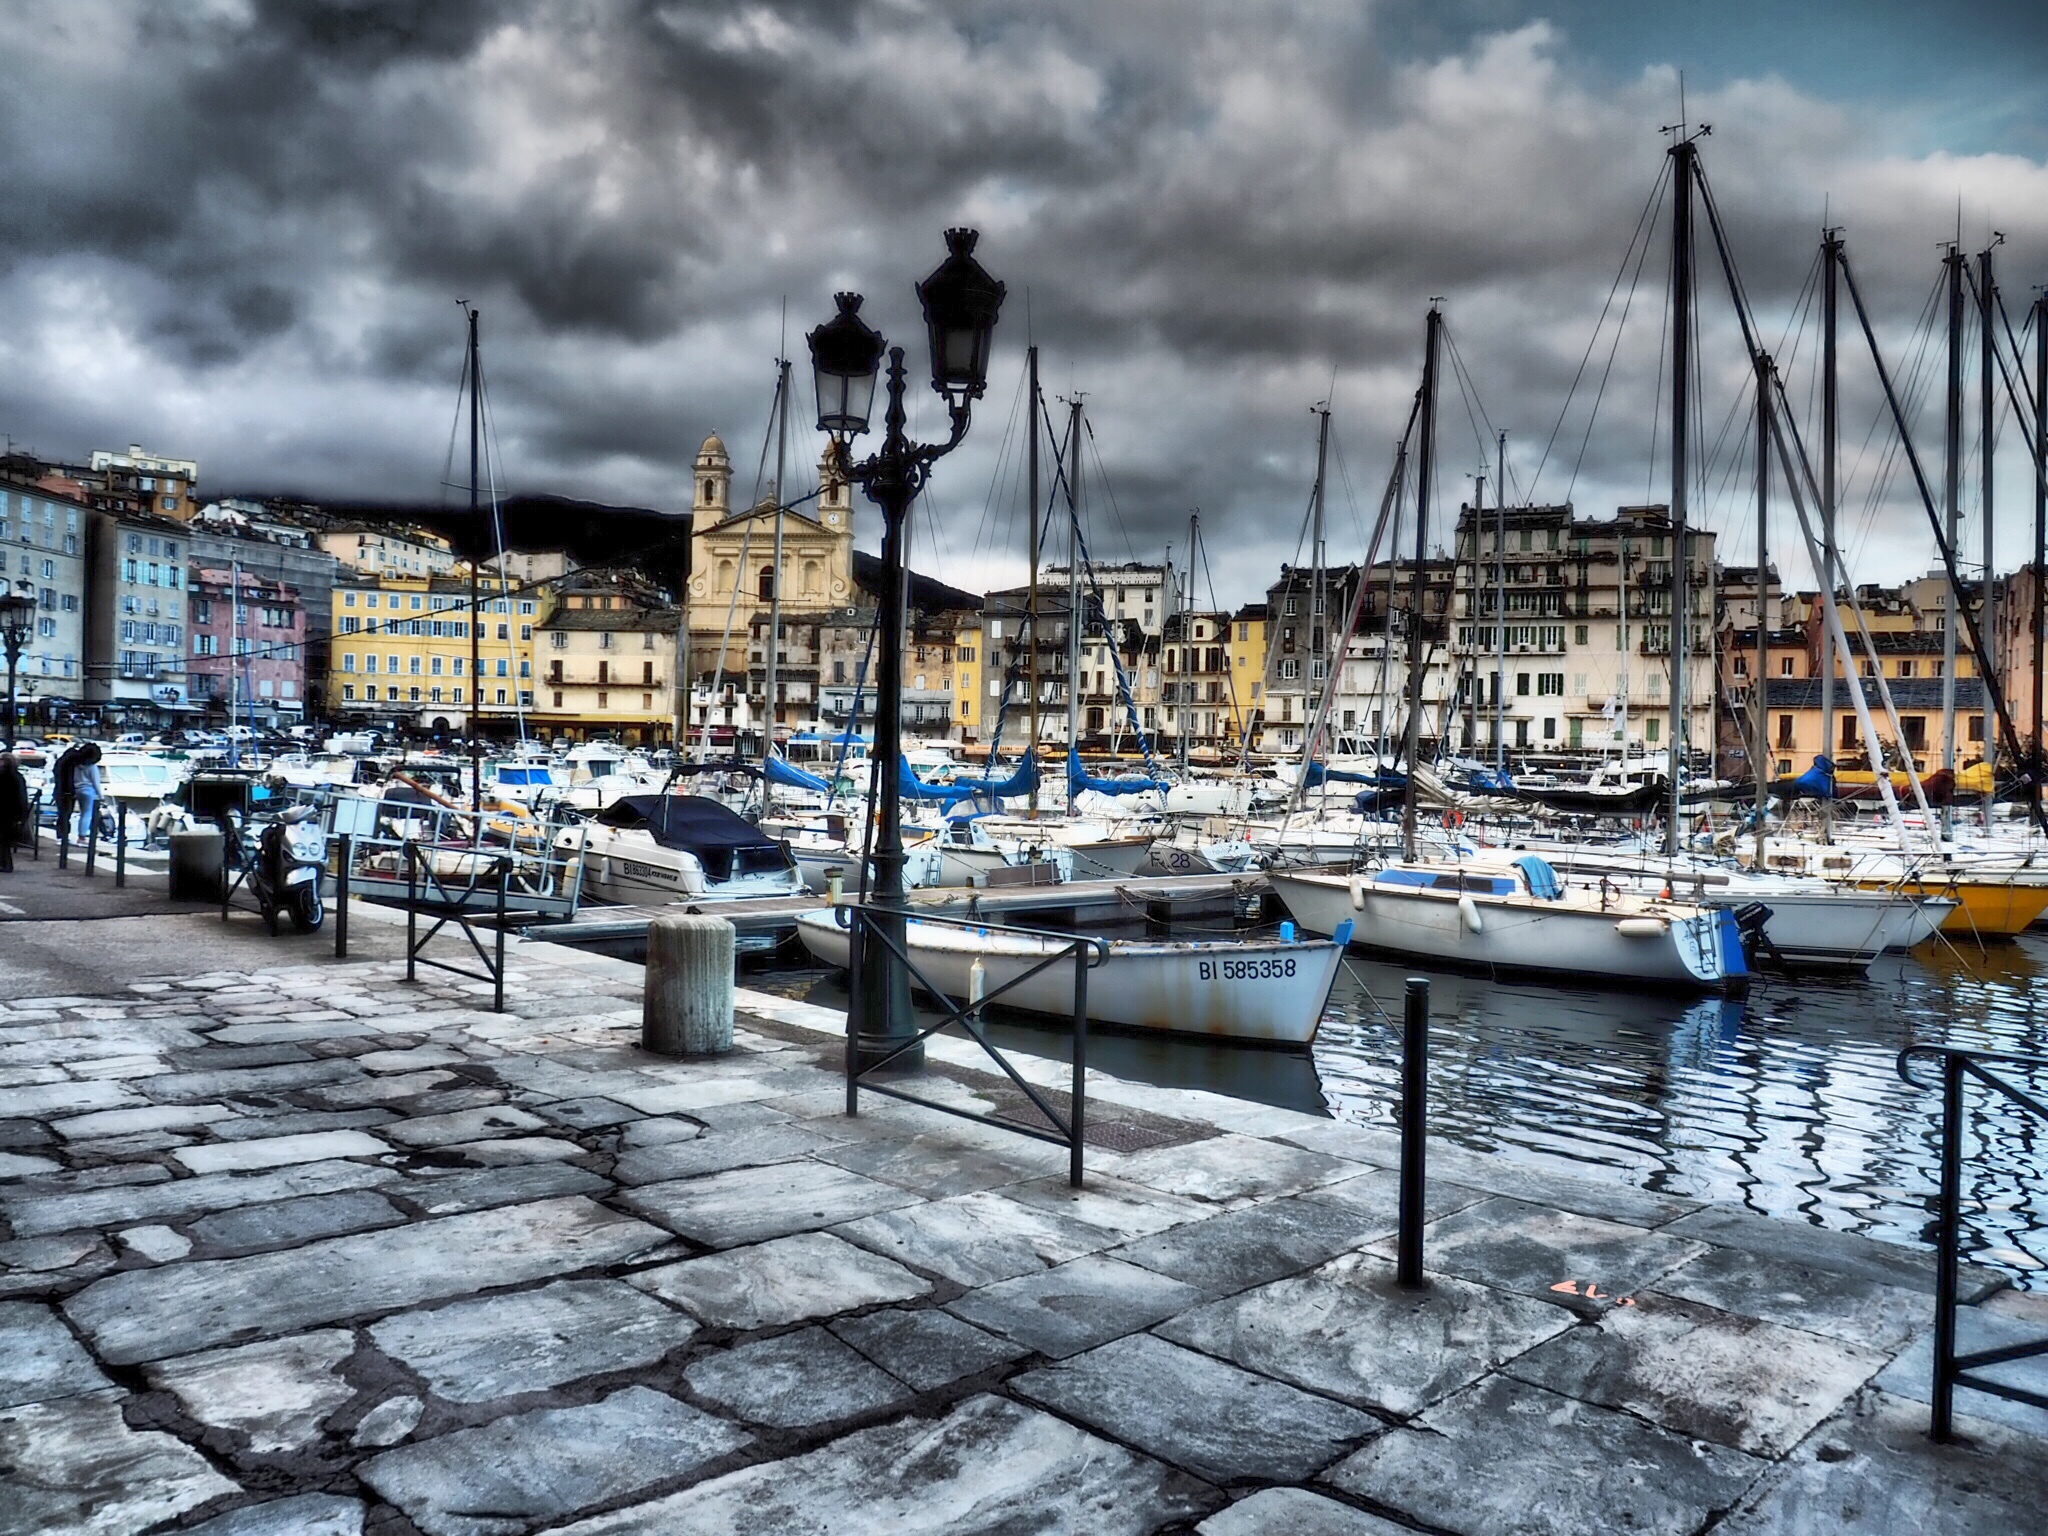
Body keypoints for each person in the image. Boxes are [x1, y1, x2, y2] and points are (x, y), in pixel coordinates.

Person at [0, 750, 26, 872]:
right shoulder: (18, 777)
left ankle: (5, 864)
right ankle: (5, 864)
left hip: (5, 812)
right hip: (13, 813)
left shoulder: (4, 776)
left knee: (3, 840)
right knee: (4, 841)